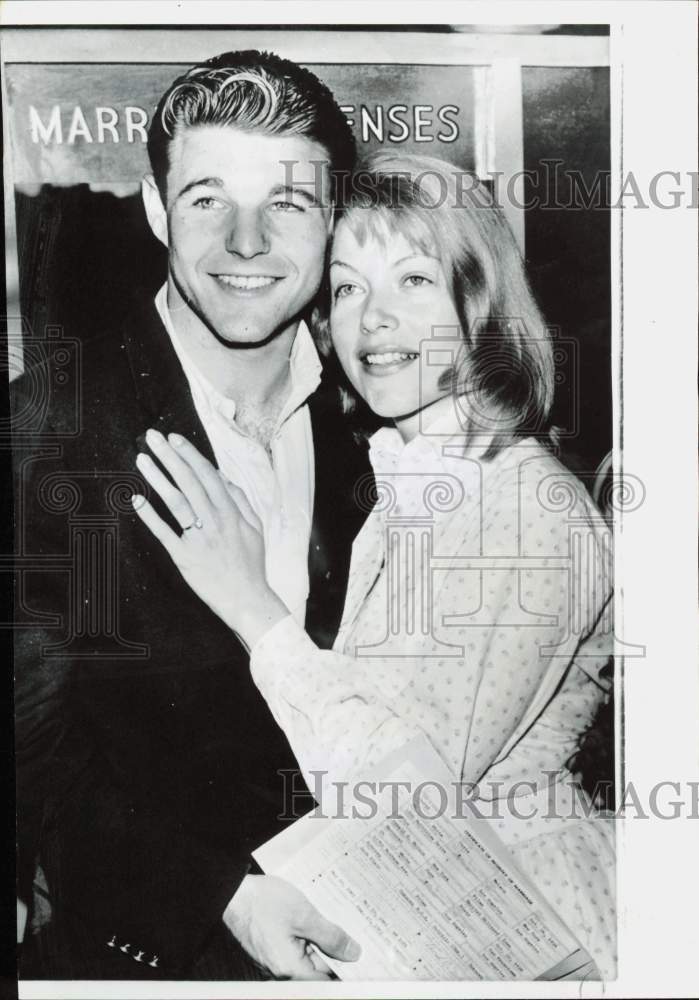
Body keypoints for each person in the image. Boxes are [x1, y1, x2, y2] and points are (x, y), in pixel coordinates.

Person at [133, 152, 617, 979]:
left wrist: (254, 609)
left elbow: (405, 798)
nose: (372, 319)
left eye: (413, 281)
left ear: (480, 303)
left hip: (529, 937)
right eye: (349, 288)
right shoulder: (408, 491)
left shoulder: (526, 503)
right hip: (432, 928)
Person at [13, 50, 369, 980]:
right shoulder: (51, 430)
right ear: (157, 209)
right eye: (209, 198)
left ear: (335, 218)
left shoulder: (377, 423)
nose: (246, 244)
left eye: (288, 203)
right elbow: (33, 755)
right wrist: (223, 896)